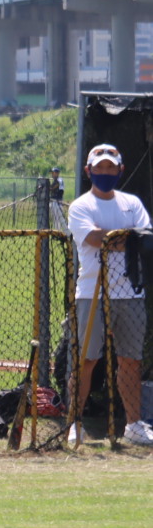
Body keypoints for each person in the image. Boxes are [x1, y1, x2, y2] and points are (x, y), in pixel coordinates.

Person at [67, 143, 153, 445]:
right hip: (91, 292)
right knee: (86, 360)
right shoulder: (80, 206)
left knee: (130, 360)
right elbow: (92, 239)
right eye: (99, 167)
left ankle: (134, 424)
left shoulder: (132, 203)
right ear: (88, 170)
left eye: (110, 167)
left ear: (120, 170)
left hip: (130, 293)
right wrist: (125, 238)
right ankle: (74, 423)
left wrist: (117, 238)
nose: (105, 172)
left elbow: (145, 239)